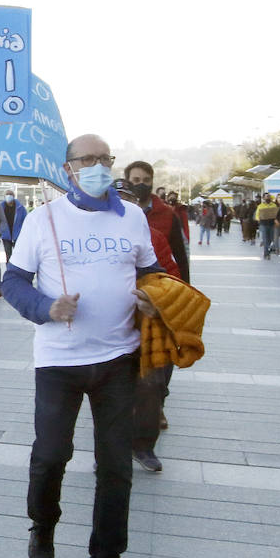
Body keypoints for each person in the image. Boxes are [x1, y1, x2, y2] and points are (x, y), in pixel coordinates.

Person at [2, 134, 161, 558]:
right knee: (51, 454)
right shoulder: (42, 219)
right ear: (68, 169)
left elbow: (152, 273)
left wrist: (156, 296)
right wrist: (46, 307)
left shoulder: (132, 217)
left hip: (118, 358)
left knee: (116, 467)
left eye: (103, 159)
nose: (97, 166)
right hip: (59, 362)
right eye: (87, 160)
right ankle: (42, 526)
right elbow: (13, 281)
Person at [116, 181, 176, 473]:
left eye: (127, 201)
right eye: (115, 200)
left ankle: (144, 446)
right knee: (111, 393)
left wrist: (156, 297)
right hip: (110, 328)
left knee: (152, 386)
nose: (121, 207)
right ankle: (111, 449)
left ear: (138, 206)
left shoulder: (155, 238)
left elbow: (171, 278)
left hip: (148, 326)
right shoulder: (93, 235)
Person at [125, 162, 189, 284]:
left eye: (146, 180)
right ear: (128, 181)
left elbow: (180, 258)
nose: (141, 184)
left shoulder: (168, 215)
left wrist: (185, 288)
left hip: (159, 287)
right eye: (136, 180)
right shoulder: (115, 215)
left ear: (152, 182)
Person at [0, 189, 27, 262]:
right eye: (7, 194)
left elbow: (25, 220)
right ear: (4, 196)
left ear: (13, 196)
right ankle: (9, 270)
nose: (8, 196)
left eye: (10, 194)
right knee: (8, 255)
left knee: (19, 255)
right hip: (6, 235)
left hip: (17, 235)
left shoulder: (20, 208)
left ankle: (18, 271)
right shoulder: (0, 207)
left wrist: (23, 232)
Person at [255, 194, 279, 258]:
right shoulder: (260, 206)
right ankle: (266, 253)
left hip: (272, 224)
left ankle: (269, 250)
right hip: (264, 224)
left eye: (269, 197)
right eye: (266, 197)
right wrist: (259, 219)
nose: (268, 198)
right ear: (263, 198)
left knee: (271, 239)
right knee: (265, 239)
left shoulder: (274, 205)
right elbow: (257, 215)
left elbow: (276, 214)